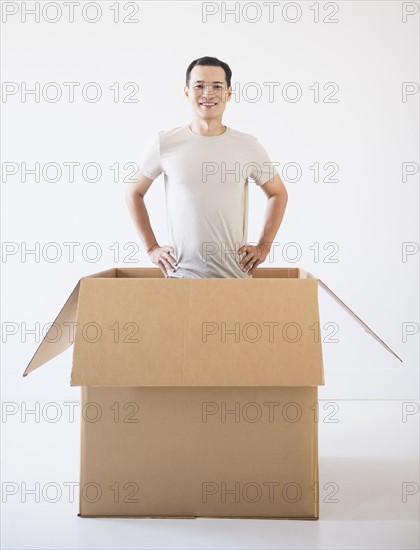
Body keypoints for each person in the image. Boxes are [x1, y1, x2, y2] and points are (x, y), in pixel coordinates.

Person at [125, 56, 288, 278]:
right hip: (181, 277)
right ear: (186, 92)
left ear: (228, 93)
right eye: (199, 86)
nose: (208, 93)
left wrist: (264, 247)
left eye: (217, 86)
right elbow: (133, 192)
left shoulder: (247, 145)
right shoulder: (166, 143)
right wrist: (152, 248)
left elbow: (278, 193)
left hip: (235, 278)